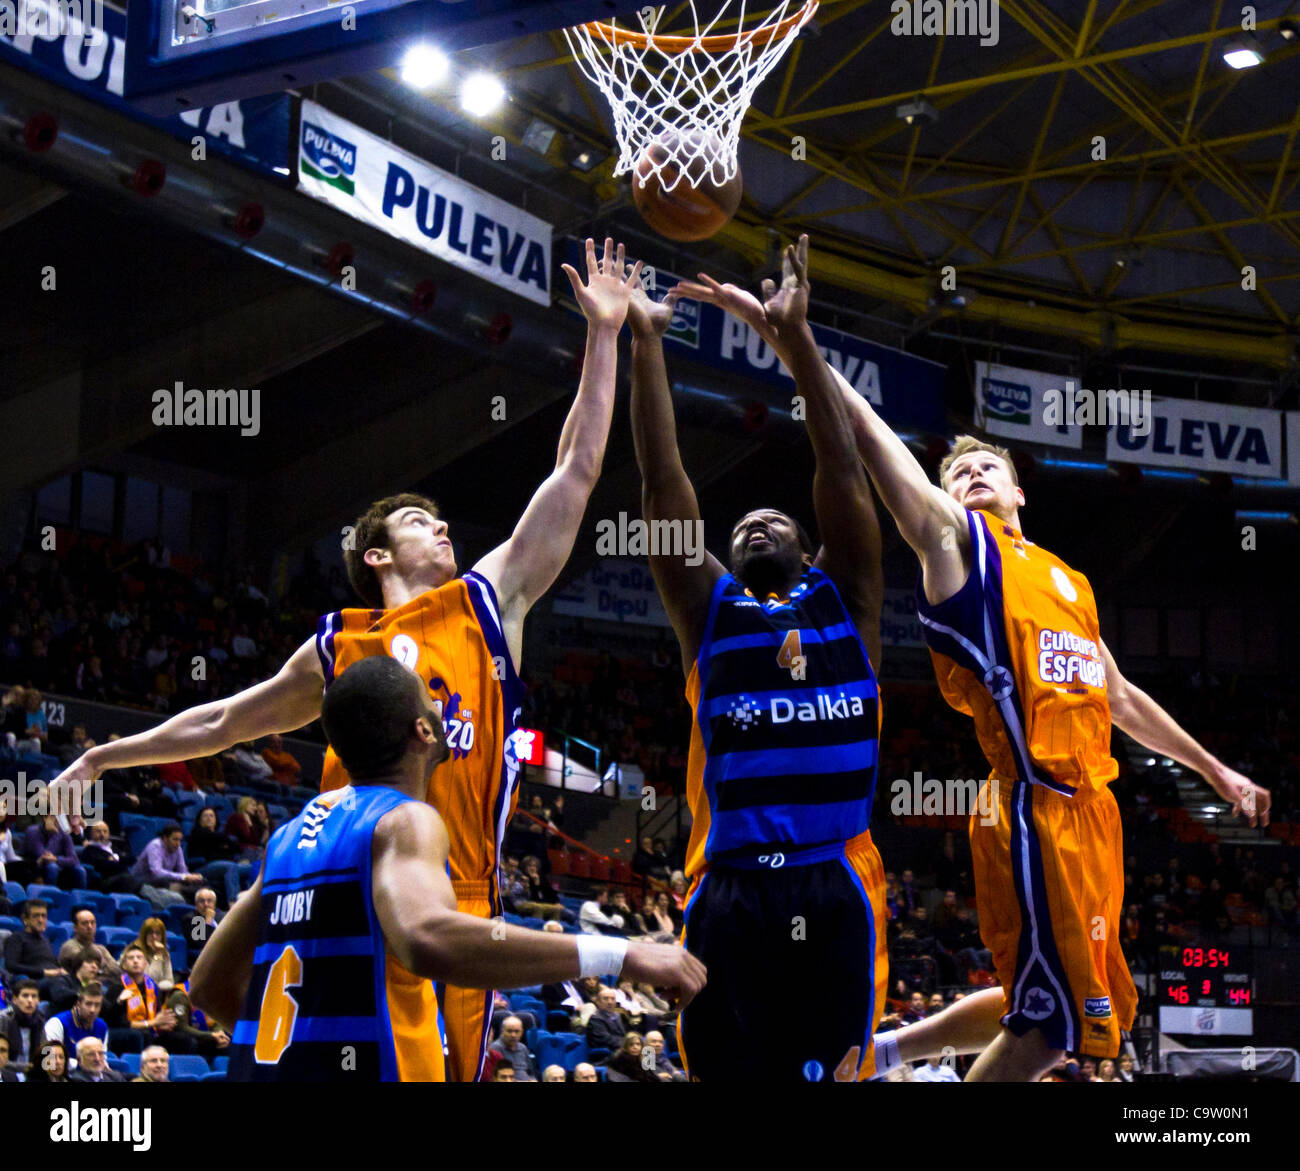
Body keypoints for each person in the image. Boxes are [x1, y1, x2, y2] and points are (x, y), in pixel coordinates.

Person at [57, 239, 647, 1082]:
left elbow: (578, 470)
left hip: (457, 901)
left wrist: (603, 335)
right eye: (420, 520)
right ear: (375, 554)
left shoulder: (491, 600)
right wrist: (109, 750)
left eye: (443, 520)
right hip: (344, 893)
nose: (444, 528)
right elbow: (223, 719)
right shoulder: (339, 646)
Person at [689, 238, 1271, 1082]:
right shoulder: (960, 551)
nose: (967, 475)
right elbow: (879, 451)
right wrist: (797, 346)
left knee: (1041, 1003)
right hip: (1031, 806)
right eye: (955, 471)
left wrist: (1217, 772)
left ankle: (885, 1051)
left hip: (1093, 810)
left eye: (984, 464)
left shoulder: (1067, 581)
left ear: (1022, 487)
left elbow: (1118, 694)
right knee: (1053, 1029)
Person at [188, 655, 703, 1082]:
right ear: (425, 732)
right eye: (430, 700)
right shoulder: (402, 820)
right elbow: (428, 938)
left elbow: (208, 985)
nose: (441, 705)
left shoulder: (287, 838)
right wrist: (620, 954)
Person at [629, 241, 886, 1083]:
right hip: (731, 886)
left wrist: (797, 343)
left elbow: (842, 462)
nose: (754, 526)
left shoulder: (844, 598)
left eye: (776, 520)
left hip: (832, 879)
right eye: (743, 526)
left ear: (810, 547)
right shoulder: (710, 610)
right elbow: (664, 484)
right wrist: (646, 342)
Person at [187, 807, 250, 909]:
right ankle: (234, 904)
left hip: (224, 865)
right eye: (205, 816)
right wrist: (225, 844)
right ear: (199, 820)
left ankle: (254, 902)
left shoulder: (219, 836)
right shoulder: (198, 833)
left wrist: (226, 843)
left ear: (216, 819)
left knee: (252, 868)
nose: (209, 818)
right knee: (230, 867)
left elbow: (236, 847)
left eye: (211, 815)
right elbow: (225, 842)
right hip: (204, 867)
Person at [131, 824, 204, 910]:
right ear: (165, 838)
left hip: (163, 880)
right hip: (142, 881)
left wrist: (192, 877)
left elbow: (182, 870)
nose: (178, 843)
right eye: (175, 839)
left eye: (180, 840)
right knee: (167, 881)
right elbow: (156, 872)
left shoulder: (178, 848)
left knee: (199, 882)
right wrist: (184, 877)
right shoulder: (155, 846)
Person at [3, 900, 63, 989]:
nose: (40, 920)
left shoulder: (45, 940)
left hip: (55, 980)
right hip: (34, 983)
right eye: (36, 916)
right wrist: (44, 972)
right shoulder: (16, 938)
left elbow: (53, 963)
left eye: (44, 916)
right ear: (25, 919)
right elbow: (11, 965)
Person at [23, 813, 87, 890]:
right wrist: (53, 833)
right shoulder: (33, 831)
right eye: (54, 818)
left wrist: (57, 859)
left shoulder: (63, 833)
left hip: (58, 864)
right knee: (52, 867)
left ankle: (79, 897)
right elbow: (42, 856)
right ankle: (49, 893)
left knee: (80, 870)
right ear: (45, 818)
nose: (58, 821)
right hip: (36, 867)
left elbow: (74, 859)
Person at [44, 981, 109, 1055]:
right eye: (88, 1004)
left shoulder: (102, 1026)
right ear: (78, 1004)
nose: (92, 1010)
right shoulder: (57, 1024)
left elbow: (102, 1058)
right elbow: (51, 1059)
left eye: (97, 1005)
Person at [59, 907, 122, 983]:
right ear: (75, 928)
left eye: (92, 923)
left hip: (105, 984)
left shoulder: (101, 948)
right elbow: (88, 967)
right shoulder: (69, 946)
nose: (89, 927)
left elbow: (117, 970)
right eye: (85, 923)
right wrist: (106, 968)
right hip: (80, 987)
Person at [0, 980, 46, 1074]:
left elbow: (45, 1050)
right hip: (7, 1072)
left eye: (34, 996)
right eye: (25, 996)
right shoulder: (4, 1019)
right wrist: (29, 1068)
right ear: (15, 999)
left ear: (38, 1000)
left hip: (32, 1073)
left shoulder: (39, 1020)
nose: (30, 1001)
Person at [128, 917, 176, 994]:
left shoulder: (164, 953)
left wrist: (159, 986)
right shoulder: (135, 951)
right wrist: (157, 956)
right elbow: (148, 979)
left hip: (156, 993)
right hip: (136, 992)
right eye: (150, 933)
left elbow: (170, 980)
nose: (154, 937)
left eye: (158, 933)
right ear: (144, 935)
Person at [487, 1015, 538, 1082]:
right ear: (502, 1031)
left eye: (517, 1031)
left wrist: (533, 1079)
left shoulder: (523, 1048)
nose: (513, 1035)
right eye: (509, 1031)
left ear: (522, 1032)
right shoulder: (495, 1049)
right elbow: (495, 1077)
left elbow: (530, 1072)